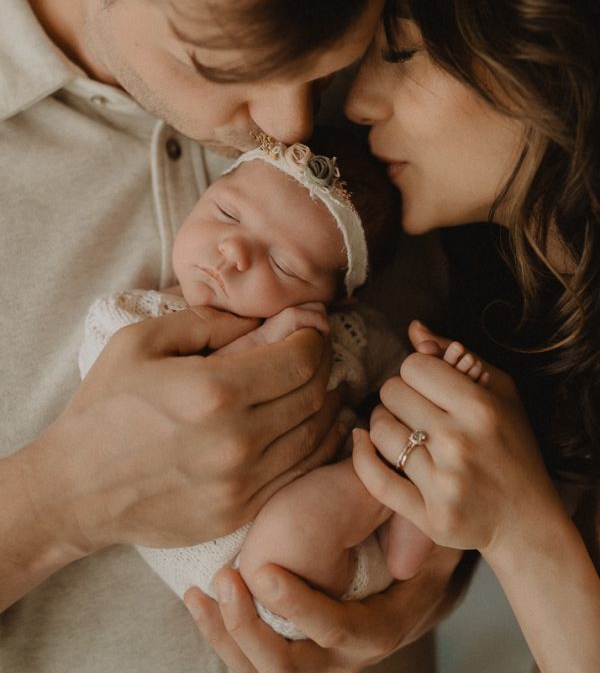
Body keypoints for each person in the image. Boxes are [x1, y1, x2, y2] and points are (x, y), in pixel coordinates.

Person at [0, 0, 461, 673]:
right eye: (225, 66)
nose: (289, 128)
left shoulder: (410, 60)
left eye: (327, 66)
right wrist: (61, 500)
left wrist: (421, 590)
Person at [185, 0, 600, 671]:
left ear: (550, 29)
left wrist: (522, 534)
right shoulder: (516, 313)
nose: (359, 104)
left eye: (402, 50)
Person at [78, 128, 448, 639]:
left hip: (342, 540)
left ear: (336, 300)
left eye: (283, 264)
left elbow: (395, 372)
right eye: (226, 214)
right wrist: (258, 344)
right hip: (269, 578)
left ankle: (406, 524)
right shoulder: (138, 319)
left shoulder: (343, 334)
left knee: (415, 429)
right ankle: (394, 509)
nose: (232, 251)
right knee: (294, 530)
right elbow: (122, 393)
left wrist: (429, 372)